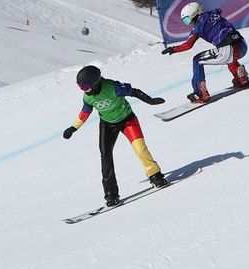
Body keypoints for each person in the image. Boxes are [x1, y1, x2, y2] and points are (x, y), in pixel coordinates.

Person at [63, 65, 169, 207]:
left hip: (128, 121)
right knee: (105, 157)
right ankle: (111, 194)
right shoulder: (88, 97)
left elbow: (133, 92)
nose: (83, 90)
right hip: (107, 125)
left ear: (95, 83)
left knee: (140, 149)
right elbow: (85, 112)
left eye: (84, 87)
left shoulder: (113, 87)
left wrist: (150, 100)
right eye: (80, 87)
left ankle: (155, 176)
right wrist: (73, 128)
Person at [164, 2, 249, 103]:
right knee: (229, 57)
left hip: (227, 49)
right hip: (242, 45)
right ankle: (241, 78)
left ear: (193, 15)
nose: (189, 23)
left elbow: (188, 45)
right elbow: (218, 11)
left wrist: (173, 49)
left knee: (197, 60)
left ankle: (200, 94)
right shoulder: (214, 13)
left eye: (187, 20)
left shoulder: (197, 27)